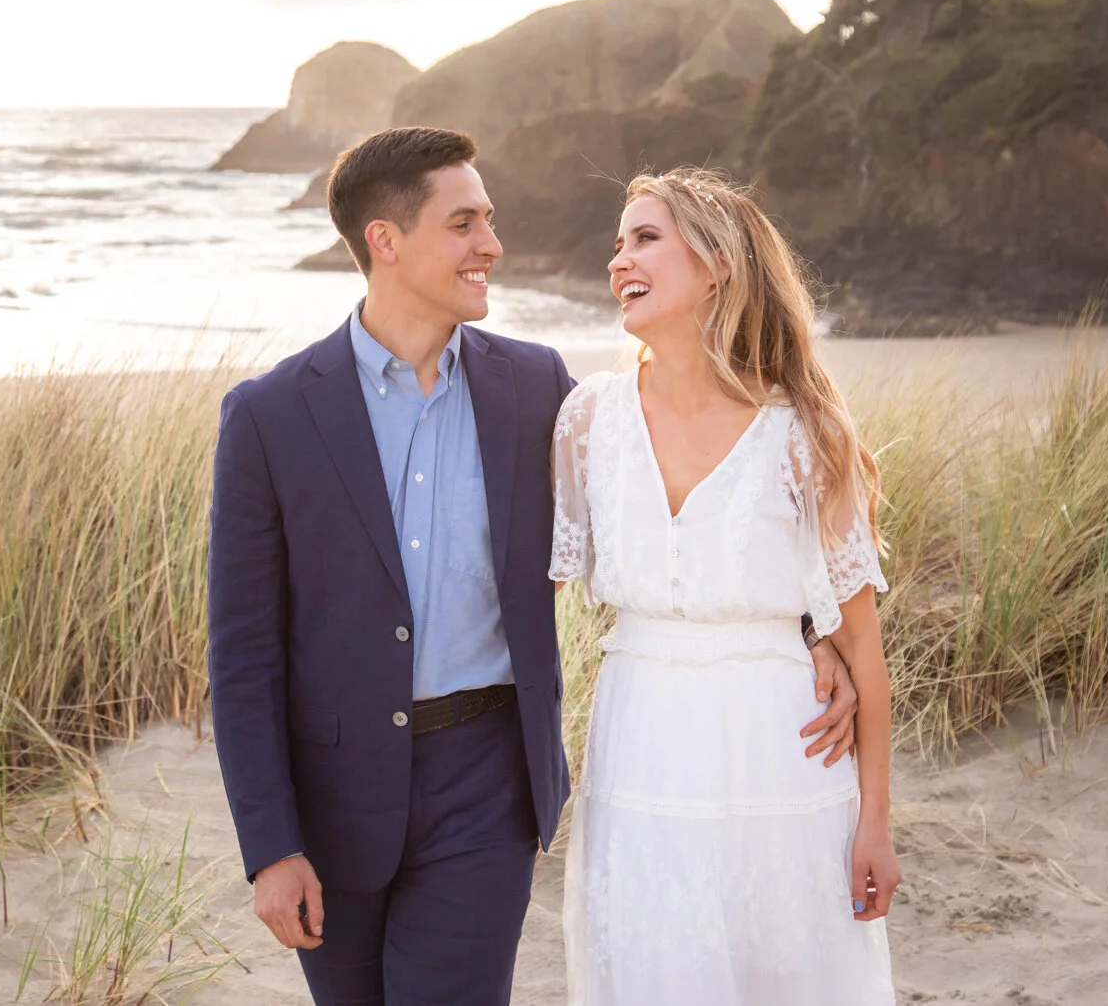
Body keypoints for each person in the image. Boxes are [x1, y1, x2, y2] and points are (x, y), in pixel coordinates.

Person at [206, 129, 860, 1005]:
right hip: (334, 798)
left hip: (488, 781)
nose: (492, 245)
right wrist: (272, 845)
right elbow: (242, 655)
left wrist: (809, 631)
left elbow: (672, 518)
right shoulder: (269, 415)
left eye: (490, 220)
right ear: (385, 240)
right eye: (465, 223)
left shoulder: (536, 388)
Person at [554, 167, 900, 1004]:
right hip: (638, 745)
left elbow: (863, 647)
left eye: (644, 238)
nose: (618, 260)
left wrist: (876, 823)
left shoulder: (802, 433)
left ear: (714, 264)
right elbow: (531, 592)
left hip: (780, 753)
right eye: (616, 242)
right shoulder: (588, 418)